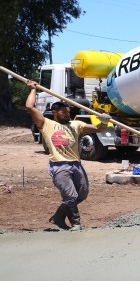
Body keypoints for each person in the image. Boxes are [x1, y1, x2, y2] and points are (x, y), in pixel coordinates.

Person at [25, 80, 111, 231]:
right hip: (59, 166)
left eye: (68, 112)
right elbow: (29, 107)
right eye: (63, 112)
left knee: (82, 194)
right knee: (70, 196)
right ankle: (76, 224)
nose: (67, 114)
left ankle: (58, 216)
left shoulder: (76, 124)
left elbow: (98, 129)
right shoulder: (46, 124)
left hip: (76, 164)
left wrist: (103, 122)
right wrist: (32, 90)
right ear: (54, 113)